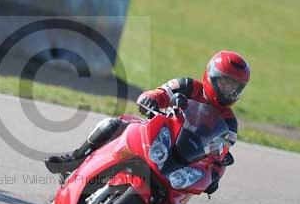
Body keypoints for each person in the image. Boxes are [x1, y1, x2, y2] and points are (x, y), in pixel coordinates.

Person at [45, 50, 251, 191]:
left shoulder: (229, 122)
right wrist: (150, 100)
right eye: (225, 82)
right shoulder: (188, 85)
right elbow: (161, 92)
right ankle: (73, 160)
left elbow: (221, 153)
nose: (229, 90)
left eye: (234, 87)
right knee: (115, 124)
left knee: (177, 196)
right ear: (212, 76)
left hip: (183, 159)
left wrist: (216, 174)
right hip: (160, 134)